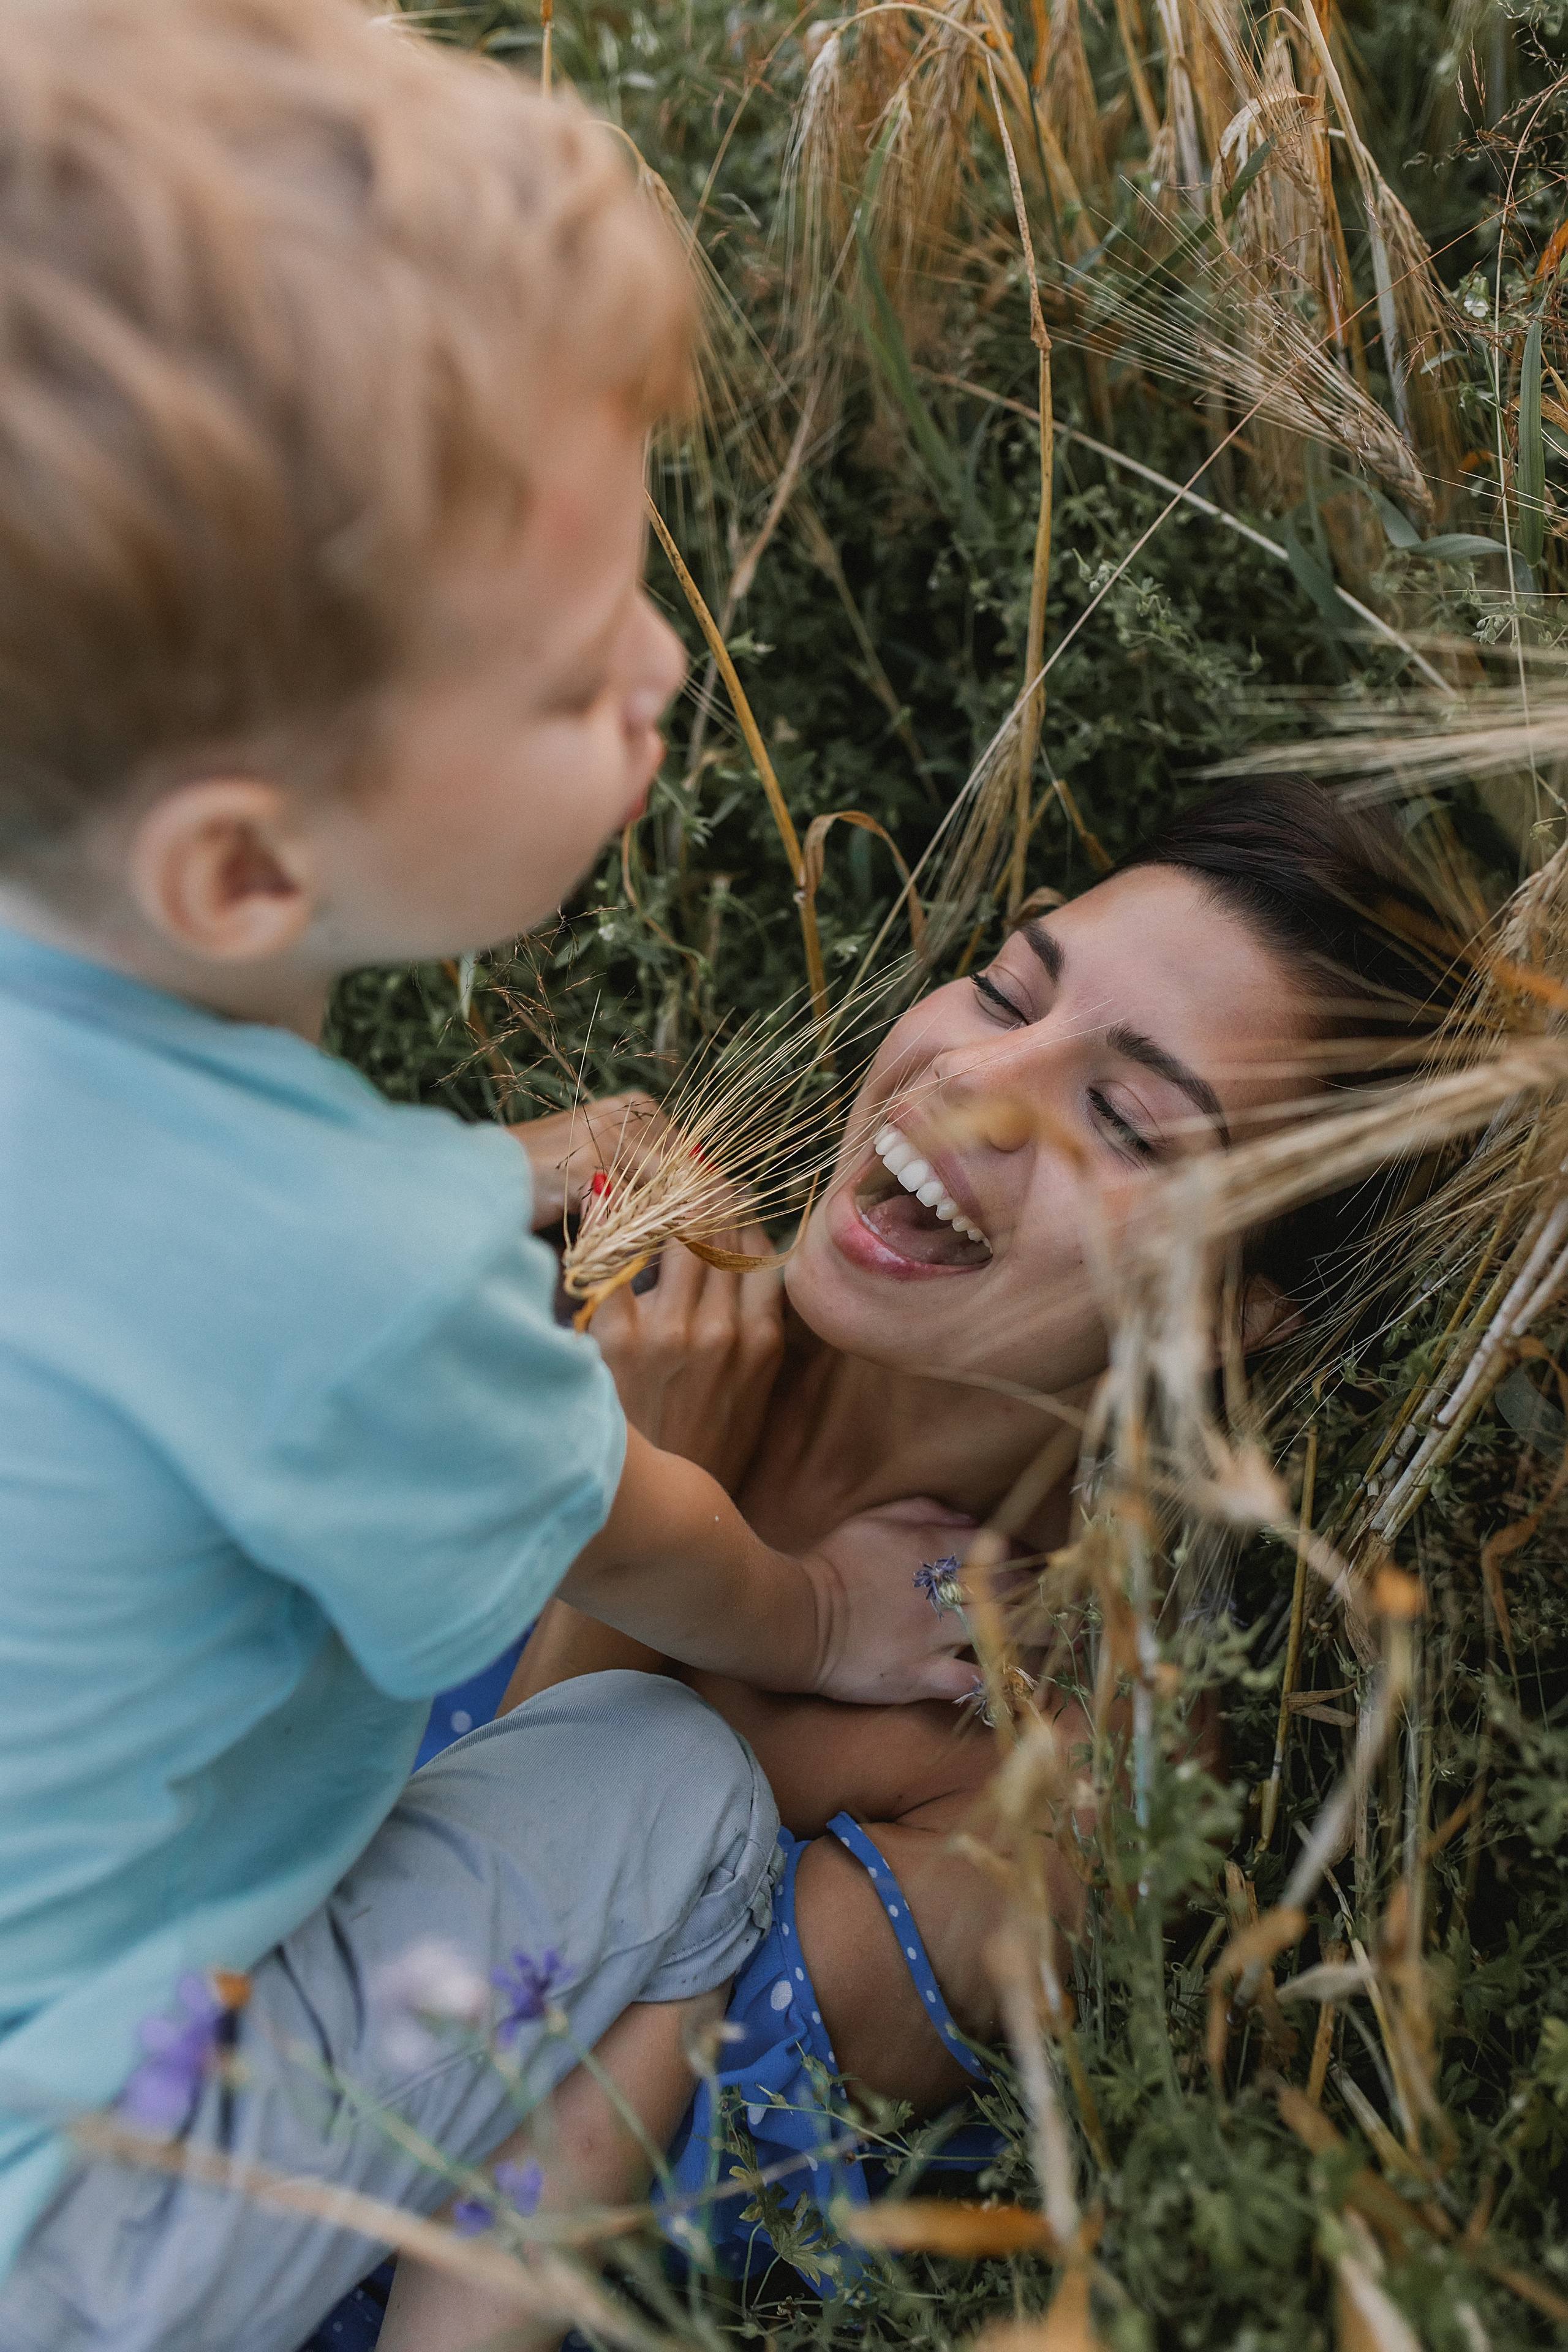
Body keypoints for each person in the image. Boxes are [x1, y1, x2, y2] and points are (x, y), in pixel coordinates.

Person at [0, 9, 982, 2351]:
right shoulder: (359, 1291)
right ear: (247, 865)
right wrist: (831, 1615)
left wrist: (497, 1166)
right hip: (88, 2215)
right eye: (566, 678)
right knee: (665, 1787)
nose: (661, 670)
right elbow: (634, 1543)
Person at [380, 779, 1452, 2345]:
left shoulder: (1057, 1778)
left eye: (1126, 1120)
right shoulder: (620, 1257)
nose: (973, 1081)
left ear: (1237, 1306)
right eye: (1007, 990)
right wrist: (461, 1187)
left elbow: (421, 2114)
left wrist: (629, 1507)